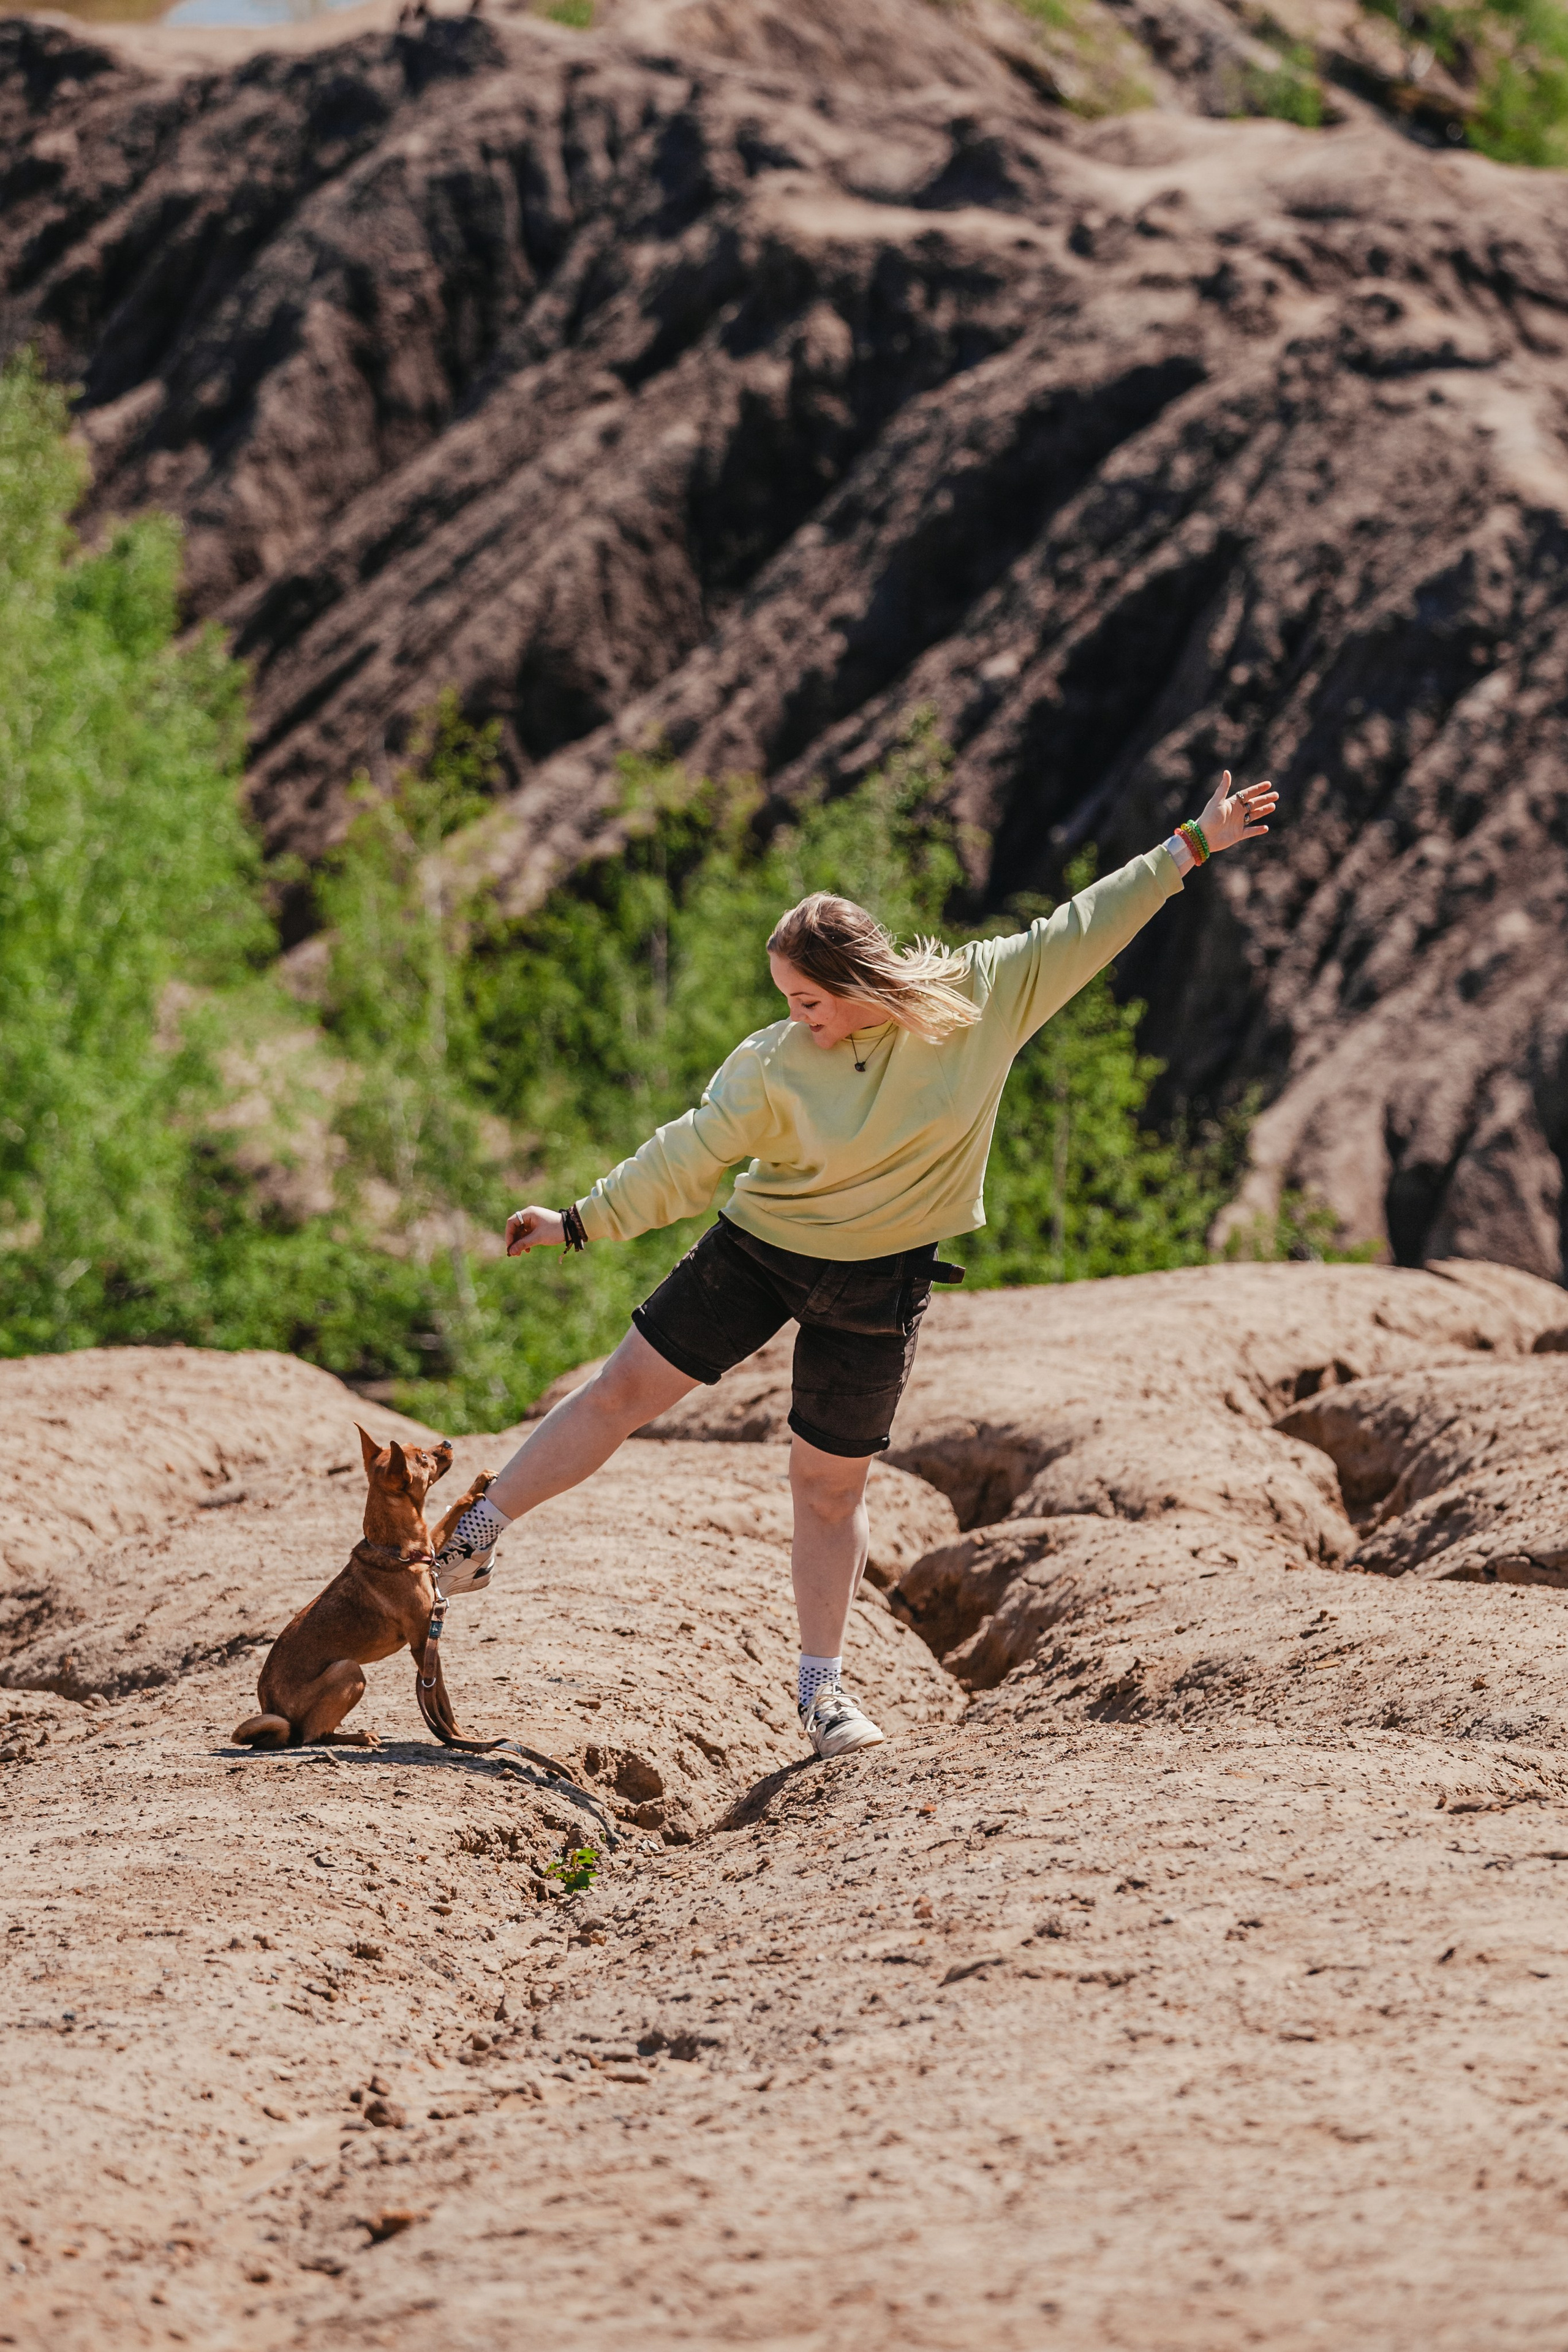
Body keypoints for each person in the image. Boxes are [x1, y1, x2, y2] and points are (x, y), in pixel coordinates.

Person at [435, 771, 1277, 1758]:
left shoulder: (981, 999)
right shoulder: (774, 1063)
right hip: (759, 1253)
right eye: (788, 1003)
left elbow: (1087, 922)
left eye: (809, 1000)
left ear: (859, 985)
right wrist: (579, 1222)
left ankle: (822, 1694)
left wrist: (1194, 843)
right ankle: (468, 1539)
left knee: (829, 1490)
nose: (800, 1018)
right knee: (620, 1390)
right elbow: (688, 1154)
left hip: (878, 1284)